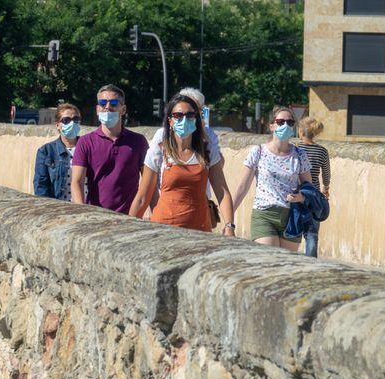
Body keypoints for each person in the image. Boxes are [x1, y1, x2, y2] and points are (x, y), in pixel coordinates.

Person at [129, 94, 235, 234]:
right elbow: (142, 198)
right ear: (170, 121)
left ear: (196, 119)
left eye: (190, 115)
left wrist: (229, 226)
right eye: (178, 115)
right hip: (164, 230)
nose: (184, 120)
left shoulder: (207, 150)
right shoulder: (160, 150)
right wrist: (128, 229)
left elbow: (222, 193)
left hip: (200, 231)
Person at [233, 106, 312, 250]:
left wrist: (302, 197)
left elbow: (309, 187)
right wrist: (229, 215)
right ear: (271, 126)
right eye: (281, 122)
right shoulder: (258, 151)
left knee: (286, 265)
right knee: (268, 260)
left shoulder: (300, 155)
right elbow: (242, 186)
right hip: (265, 214)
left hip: (292, 216)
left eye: (290, 122)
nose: (286, 125)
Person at [71, 84, 149, 213]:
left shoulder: (138, 141)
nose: (107, 107)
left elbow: (149, 183)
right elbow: (77, 182)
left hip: (130, 218)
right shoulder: (85, 142)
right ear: (97, 109)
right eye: (103, 103)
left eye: (114, 103)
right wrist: (82, 213)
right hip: (96, 217)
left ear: (123, 109)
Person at [33, 103, 83, 201]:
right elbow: (41, 186)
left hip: (87, 208)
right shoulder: (46, 151)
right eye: (66, 120)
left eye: (76, 119)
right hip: (60, 209)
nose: (72, 123)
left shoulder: (89, 147)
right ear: (57, 125)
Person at [297, 117, 331, 257]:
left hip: (296, 193)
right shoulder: (322, 151)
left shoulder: (296, 149)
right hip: (314, 195)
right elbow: (326, 174)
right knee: (312, 234)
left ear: (301, 132)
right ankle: (310, 263)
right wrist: (326, 188)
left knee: (291, 231)